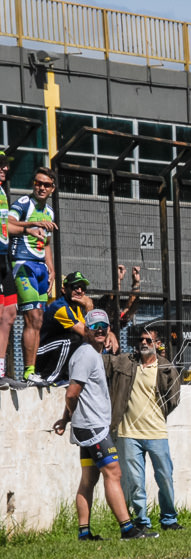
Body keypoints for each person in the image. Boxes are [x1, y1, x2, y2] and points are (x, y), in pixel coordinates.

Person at [52, 309, 156, 541]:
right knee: (114, 473)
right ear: (86, 331)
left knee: (89, 479)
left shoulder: (89, 354)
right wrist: (73, 417)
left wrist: (67, 419)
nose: (100, 330)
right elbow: (71, 394)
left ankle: (84, 532)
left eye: (104, 326)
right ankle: (128, 529)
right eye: (95, 327)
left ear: (109, 330)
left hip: (87, 426)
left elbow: (77, 394)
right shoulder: (88, 354)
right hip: (93, 428)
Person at [105, 327, 182, 531]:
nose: (144, 343)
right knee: (135, 482)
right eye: (141, 340)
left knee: (165, 477)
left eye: (149, 340)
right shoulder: (125, 363)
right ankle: (141, 521)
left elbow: (174, 398)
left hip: (157, 432)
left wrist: (158, 415)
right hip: (128, 433)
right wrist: (109, 334)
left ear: (157, 344)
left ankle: (169, 519)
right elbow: (103, 363)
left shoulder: (165, 367)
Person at [8, 167, 58, 385]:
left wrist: (51, 268)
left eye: (46, 185)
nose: (41, 187)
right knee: (33, 317)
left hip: (40, 268)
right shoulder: (23, 204)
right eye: (38, 183)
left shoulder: (49, 212)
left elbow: (46, 242)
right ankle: (27, 372)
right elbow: (7, 226)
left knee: (38, 321)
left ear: (52, 189)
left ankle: (33, 371)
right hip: (22, 264)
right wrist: (31, 224)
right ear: (33, 183)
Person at [35, 271, 116, 385]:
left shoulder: (76, 308)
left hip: (54, 352)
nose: (79, 291)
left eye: (83, 288)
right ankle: (50, 378)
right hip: (41, 354)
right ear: (64, 290)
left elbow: (90, 330)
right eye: (75, 287)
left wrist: (110, 334)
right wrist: (89, 306)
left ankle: (68, 376)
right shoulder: (60, 308)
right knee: (74, 339)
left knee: (89, 342)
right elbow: (88, 334)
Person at [0, 153, 17, 387]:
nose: (4, 169)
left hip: (4, 259)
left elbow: (8, 225)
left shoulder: (2, 192)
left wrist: (28, 227)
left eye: (4, 166)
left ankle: (1, 370)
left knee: (10, 313)